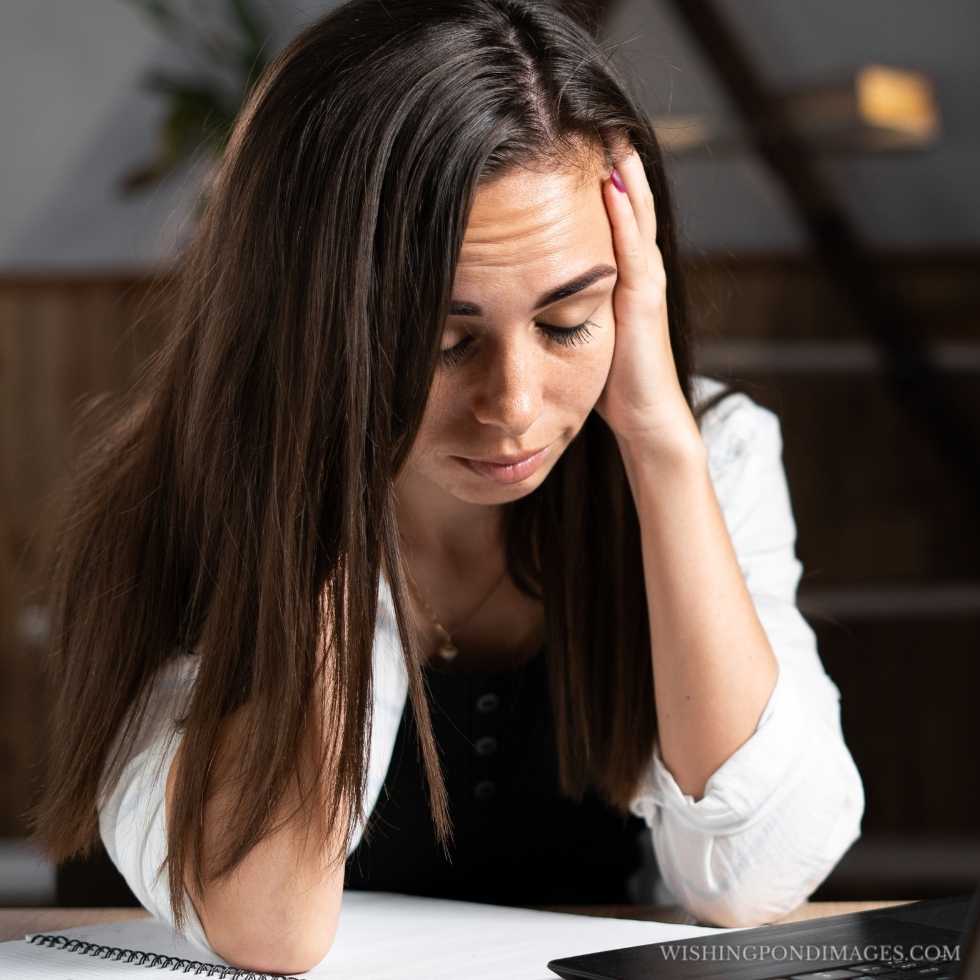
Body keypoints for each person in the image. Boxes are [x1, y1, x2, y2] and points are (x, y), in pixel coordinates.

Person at [27, 0, 864, 973]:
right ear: (312, 315)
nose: (511, 404)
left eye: (566, 323)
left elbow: (755, 875)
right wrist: (325, 468)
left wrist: (658, 443)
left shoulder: (706, 452)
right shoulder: (188, 499)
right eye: (440, 342)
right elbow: (266, 925)